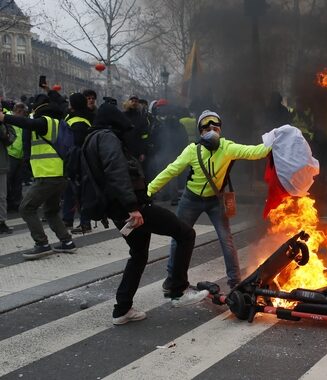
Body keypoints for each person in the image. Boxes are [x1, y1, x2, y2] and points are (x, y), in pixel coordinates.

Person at [83, 103, 208, 325]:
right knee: (185, 233)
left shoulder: (91, 139)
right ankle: (177, 291)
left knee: (139, 255)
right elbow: (117, 171)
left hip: (117, 209)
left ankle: (122, 309)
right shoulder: (108, 138)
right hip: (133, 208)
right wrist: (133, 206)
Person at [147, 110, 271, 289]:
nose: (212, 130)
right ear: (200, 132)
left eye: (215, 126)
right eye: (206, 127)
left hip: (215, 201)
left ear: (221, 130)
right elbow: (171, 170)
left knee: (226, 239)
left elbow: (255, 152)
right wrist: (149, 190)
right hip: (190, 199)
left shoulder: (227, 147)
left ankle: (235, 282)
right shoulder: (192, 150)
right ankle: (172, 278)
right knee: (178, 237)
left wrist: (278, 138)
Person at [0, 91, 77, 259]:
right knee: (50, 211)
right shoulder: (59, 122)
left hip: (48, 175)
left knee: (26, 208)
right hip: (59, 175)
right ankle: (67, 242)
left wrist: (4, 118)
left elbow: (25, 123)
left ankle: (41, 244)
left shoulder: (46, 122)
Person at [62, 93, 94, 233]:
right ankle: (68, 219)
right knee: (71, 191)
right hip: (80, 160)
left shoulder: (77, 121)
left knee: (79, 192)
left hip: (77, 161)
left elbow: (75, 144)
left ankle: (85, 223)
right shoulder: (82, 117)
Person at [6, 103, 27, 213]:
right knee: (8, 181)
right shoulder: (7, 119)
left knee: (18, 181)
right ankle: (9, 203)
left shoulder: (19, 120)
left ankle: (17, 203)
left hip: (20, 155)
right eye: (24, 113)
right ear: (18, 111)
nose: (25, 116)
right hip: (10, 154)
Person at [0, 109, 16, 234]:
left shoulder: (4, 122)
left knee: (1, 196)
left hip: (1, 163)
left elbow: (10, 138)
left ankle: (1, 221)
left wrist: (2, 124)